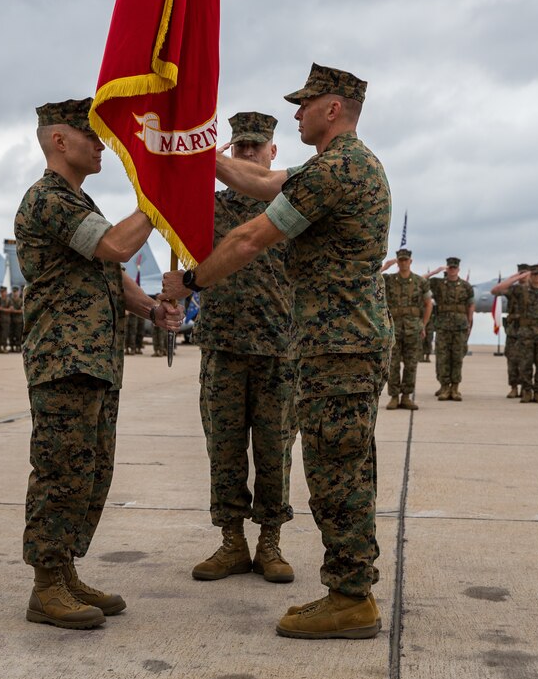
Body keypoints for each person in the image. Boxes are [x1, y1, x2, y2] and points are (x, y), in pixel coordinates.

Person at [163, 63, 391, 639]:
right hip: (338, 343)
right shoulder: (342, 166)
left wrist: (189, 285)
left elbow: (249, 237)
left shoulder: (337, 169)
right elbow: (265, 185)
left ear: (332, 108)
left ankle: (350, 597)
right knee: (342, 466)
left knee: (336, 471)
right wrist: (195, 154)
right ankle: (347, 587)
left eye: (304, 105)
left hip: (338, 346)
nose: (296, 115)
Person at [16, 98, 182, 630]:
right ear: (60, 141)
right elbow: (114, 246)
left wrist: (152, 307)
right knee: (61, 471)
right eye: (92, 137)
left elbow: (110, 274)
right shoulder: (48, 200)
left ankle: (64, 572)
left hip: (94, 361)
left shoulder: (77, 200)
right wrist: (158, 200)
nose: (103, 145)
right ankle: (46, 587)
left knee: (90, 471)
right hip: (63, 359)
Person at [189, 111, 298, 586]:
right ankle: (232, 540)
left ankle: (270, 541)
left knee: (275, 450)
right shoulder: (205, 206)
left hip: (280, 348)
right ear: (231, 152)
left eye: (258, 147)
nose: (249, 153)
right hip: (223, 343)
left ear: (273, 153)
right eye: (241, 147)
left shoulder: (293, 204)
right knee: (225, 449)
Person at [494, 264, 538, 402]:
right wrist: (517, 277)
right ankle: (526, 390)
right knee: (524, 364)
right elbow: (496, 290)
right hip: (524, 333)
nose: (536, 276)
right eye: (533, 274)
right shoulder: (520, 290)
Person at [381, 248, 432, 410]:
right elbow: (371, 280)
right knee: (393, 364)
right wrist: (385, 266)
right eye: (400, 260)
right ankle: (394, 397)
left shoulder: (420, 282)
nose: (403, 263)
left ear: (410, 261)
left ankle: (406, 397)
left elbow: (428, 304)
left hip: (413, 329)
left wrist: (423, 325)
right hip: (394, 328)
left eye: (406, 260)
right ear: (398, 261)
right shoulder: (389, 280)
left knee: (411, 364)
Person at [427, 258, 474, 401]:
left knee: (457, 357)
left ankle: (455, 388)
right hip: (442, 326)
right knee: (442, 357)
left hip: (460, 326)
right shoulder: (438, 283)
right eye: (450, 268)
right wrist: (435, 271)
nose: (452, 270)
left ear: (458, 269)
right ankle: (444, 386)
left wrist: (469, 324)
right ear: (447, 269)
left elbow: (470, 306)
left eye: (454, 268)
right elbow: (419, 281)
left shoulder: (466, 286)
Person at [502, 264, 529, 395]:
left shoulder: (534, 289)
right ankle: (513, 387)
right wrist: (513, 278)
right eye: (520, 273)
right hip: (513, 329)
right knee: (511, 359)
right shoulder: (512, 289)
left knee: (526, 360)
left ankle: (525, 387)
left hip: (528, 329)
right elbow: (498, 289)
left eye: (525, 273)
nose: (522, 276)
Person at [0, 286, 10, 353]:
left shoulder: (8, 300)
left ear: (6, 292)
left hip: (5, 319)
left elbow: (11, 309)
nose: (2, 293)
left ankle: (4, 347)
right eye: (1, 292)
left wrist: (2, 309)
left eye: (3, 292)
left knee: (4, 334)